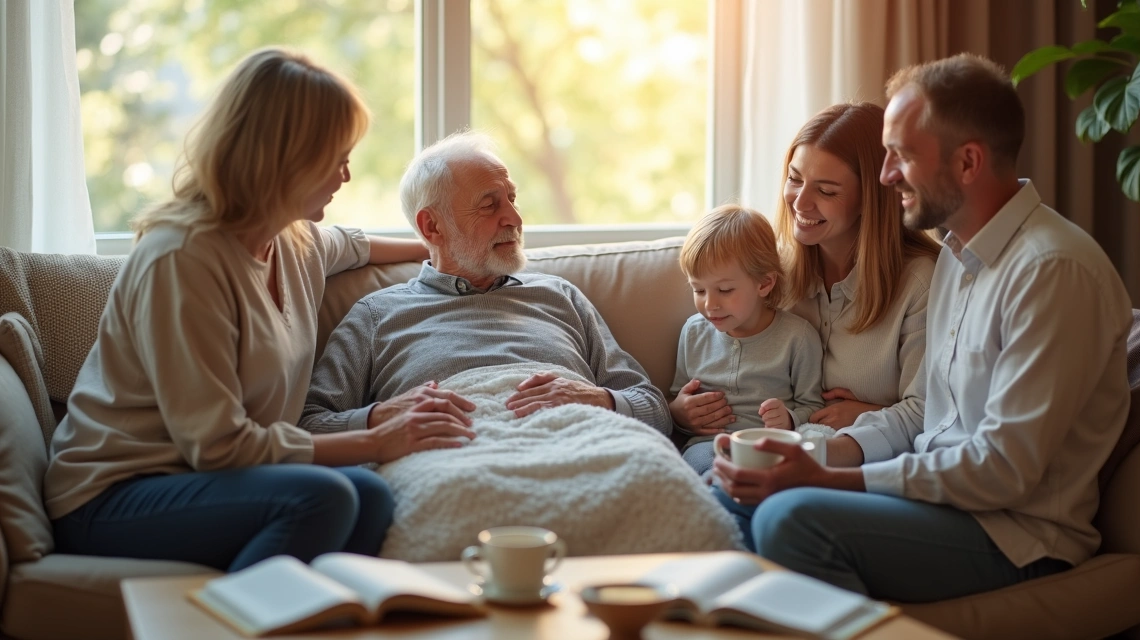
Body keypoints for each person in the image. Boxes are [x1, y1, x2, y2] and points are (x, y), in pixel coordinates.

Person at [713, 53, 1133, 603]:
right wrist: (808, 458)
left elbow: (1003, 472)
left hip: (1015, 534)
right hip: (939, 500)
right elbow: (927, 420)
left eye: (902, 157)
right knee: (730, 492)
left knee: (793, 518)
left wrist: (828, 479)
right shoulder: (960, 257)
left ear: (968, 163)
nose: (886, 177)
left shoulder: (1052, 272)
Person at [43, 48, 477, 573]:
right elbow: (219, 447)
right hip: (117, 493)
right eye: (335, 156)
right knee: (326, 496)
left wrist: (441, 249)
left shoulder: (294, 240)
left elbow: (356, 244)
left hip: (214, 482)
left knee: (372, 495)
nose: (346, 174)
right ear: (284, 156)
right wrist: (376, 440)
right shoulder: (182, 259)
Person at [300, 131, 671, 436]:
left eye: (511, 198)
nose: (514, 217)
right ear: (432, 227)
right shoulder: (377, 315)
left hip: (583, 444)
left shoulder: (560, 296)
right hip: (456, 463)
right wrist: (380, 417)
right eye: (489, 205)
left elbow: (654, 409)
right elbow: (310, 425)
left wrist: (598, 400)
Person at [674, 102, 939, 455]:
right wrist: (679, 413)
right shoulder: (769, 273)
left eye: (826, 191)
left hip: (867, 467)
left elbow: (937, 414)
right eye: (795, 179)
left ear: (870, 199)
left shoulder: (919, 283)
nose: (800, 202)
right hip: (769, 458)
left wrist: (871, 417)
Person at [669, 204, 824, 474]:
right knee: (705, 469)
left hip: (769, 447)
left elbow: (813, 406)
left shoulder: (798, 337)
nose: (710, 304)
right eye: (699, 290)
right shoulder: (693, 332)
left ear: (764, 284)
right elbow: (680, 397)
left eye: (725, 289)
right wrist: (678, 412)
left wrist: (789, 418)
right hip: (708, 446)